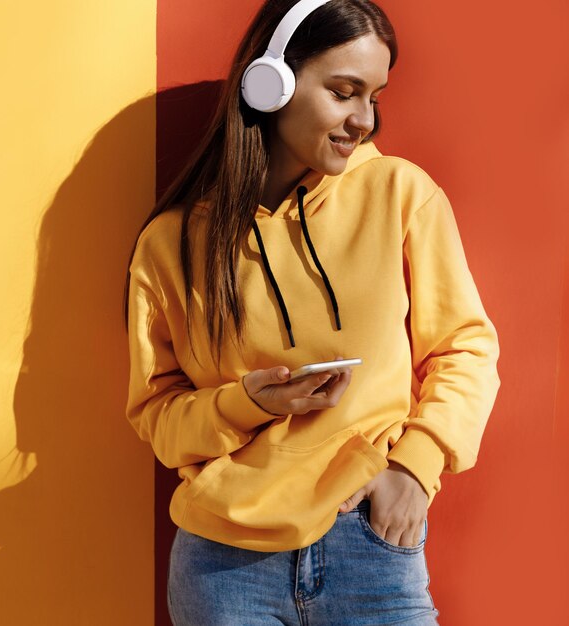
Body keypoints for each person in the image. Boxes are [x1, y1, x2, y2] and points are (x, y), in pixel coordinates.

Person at [125, 0, 501, 623]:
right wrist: (247, 402)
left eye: (374, 96)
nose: (363, 120)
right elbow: (156, 414)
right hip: (224, 568)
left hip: (371, 543)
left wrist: (415, 467)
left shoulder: (400, 193)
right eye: (344, 91)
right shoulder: (170, 244)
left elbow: (466, 347)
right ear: (269, 84)